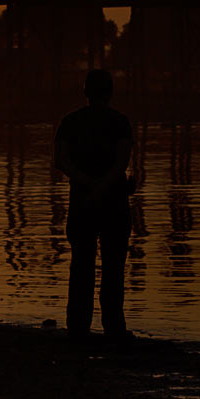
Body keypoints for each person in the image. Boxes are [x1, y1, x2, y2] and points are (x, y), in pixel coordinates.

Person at [55, 69, 134, 343]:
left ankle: (77, 327)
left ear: (85, 92)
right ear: (111, 92)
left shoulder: (70, 122)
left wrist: (87, 185)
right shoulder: (120, 122)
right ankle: (114, 328)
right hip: (114, 203)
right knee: (113, 268)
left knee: (81, 267)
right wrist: (103, 187)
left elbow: (63, 161)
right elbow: (121, 163)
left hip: (81, 203)